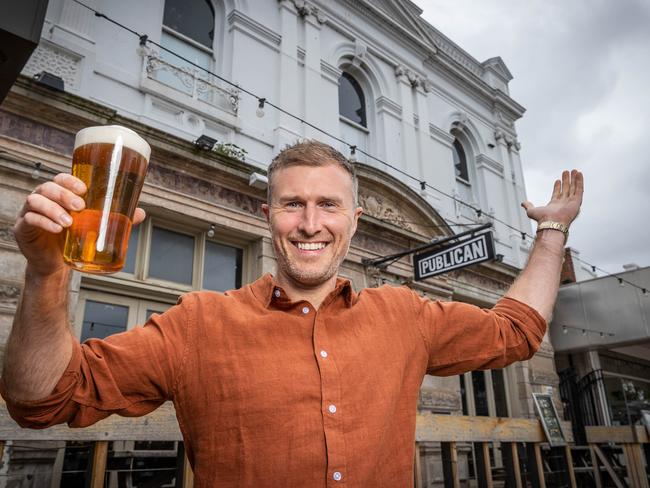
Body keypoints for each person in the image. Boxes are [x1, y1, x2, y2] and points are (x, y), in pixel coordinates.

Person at [0, 140, 583, 487]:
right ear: (267, 214)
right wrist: (48, 275)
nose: (310, 223)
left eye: (328, 204)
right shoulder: (198, 323)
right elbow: (41, 400)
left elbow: (516, 331)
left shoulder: (406, 315)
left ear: (354, 219)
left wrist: (552, 231)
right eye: (292, 204)